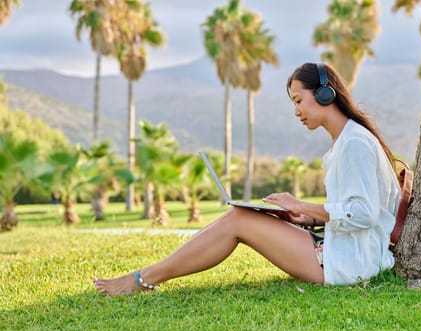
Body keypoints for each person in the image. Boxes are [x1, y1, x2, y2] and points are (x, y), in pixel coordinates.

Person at [93, 62, 401, 296]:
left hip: (352, 263)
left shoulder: (355, 143)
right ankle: (147, 276)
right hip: (340, 248)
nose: (296, 111)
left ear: (324, 94)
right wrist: (307, 219)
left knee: (239, 220)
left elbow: (363, 213)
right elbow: (351, 210)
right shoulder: (344, 142)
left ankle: (142, 280)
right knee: (238, 214)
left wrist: (302, 205)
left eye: (298, 100)